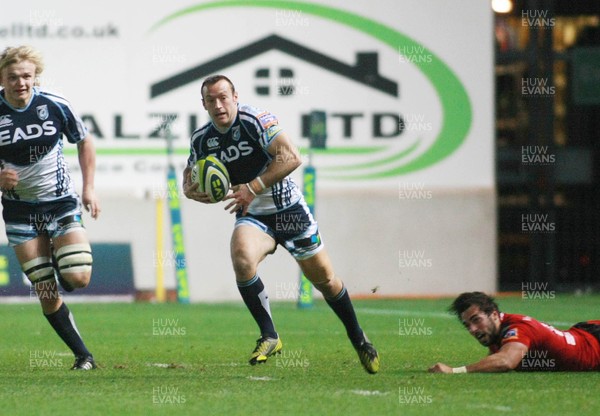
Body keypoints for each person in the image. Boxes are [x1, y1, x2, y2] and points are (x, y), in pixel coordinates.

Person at [183, 74, 379, 374]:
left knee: (325, 280)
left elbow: (291, 156)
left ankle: (357, 336)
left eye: (224, 97)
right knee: (242, 256)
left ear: (236, 97)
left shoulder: (255, 120)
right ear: (204, 104)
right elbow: (190, 179)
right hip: (252, 215)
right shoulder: (201, 139)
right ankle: (269, 335)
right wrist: (195, 191)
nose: (219, 105)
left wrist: (252, 187)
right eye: (211, 100)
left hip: (289, 211)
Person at [0, 46, 100, 370]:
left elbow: (84, 140)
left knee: (79, 276)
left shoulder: (55, 104)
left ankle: (62, 259)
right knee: (45, 289)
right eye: (13, 77)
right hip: (19, 212)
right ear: (2, 78)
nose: (21, 83)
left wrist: (88, 188)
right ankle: (83, 356)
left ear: (35, 77)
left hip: (59, 203)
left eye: (27, 76)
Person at [428, 291, 600, 373]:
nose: (473, 330)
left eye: (476, 320)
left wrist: (453, 371)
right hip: (585, 334)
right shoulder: (499, 331)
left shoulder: (517, 329)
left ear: (494, 315)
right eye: (467, 325)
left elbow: (505, 361)